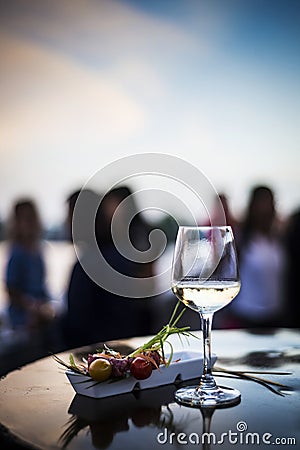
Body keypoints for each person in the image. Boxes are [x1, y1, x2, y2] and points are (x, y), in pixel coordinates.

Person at [62, 187, 154, 348]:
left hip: (92, 358)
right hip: (125, 350)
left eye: (69, 216)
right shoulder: (122, 258)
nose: (64, 222)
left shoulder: (86, 266)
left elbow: (75, 325)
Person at [229, 186, 285, 328]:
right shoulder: (241, 241)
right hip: (246, 320)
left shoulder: (277, 240)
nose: (266, 209)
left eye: (270, 203)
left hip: (275, 318)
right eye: (262, 203)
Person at [5, 199, 54, 338]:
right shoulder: (17, 253)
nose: (28, 223)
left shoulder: (40, 250)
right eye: (24, 219)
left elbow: (43, 286)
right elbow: (11, 290)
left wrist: (45, 306)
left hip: (40, 308)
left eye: (31, 218)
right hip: (22, 316)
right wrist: (32, 307)